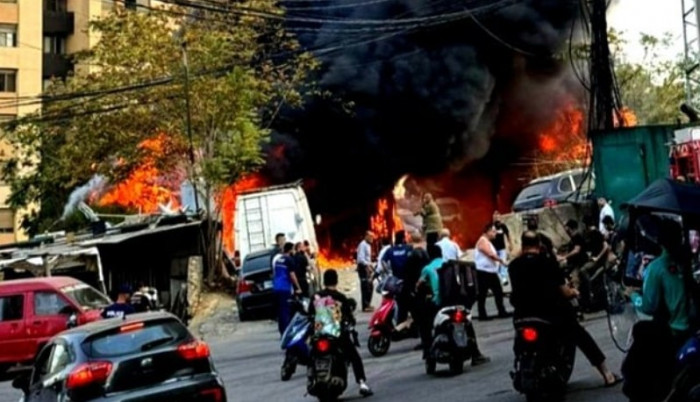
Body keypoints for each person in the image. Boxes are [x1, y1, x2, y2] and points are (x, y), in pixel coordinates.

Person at [509, 231, 621, 387]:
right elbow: (565, 292)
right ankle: (607, 374)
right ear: (539, 245)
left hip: (522, 316)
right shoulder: (548, 263)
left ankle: (520, 365)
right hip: (549, 314)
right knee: (580, 334)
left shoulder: (514, 266)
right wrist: (574, 292)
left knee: (519, 339)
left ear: (522, 245)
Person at [415, 245, 491, 365]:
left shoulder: (427, 268)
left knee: (424, 323)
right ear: (441, 254)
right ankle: (476, 354)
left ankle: (428, 351)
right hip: (455, 301)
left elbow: (419, 285)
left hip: (437, 303)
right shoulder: (450, 265)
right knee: (467, 323)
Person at [309, 269, 373, 397]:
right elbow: (349, 317)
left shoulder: (316, 297)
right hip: (337, 335)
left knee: (311, 356)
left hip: (319, 335)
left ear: (324, 281)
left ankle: (311, 379)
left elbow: (310, 314)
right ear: (336, 281)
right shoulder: (341, 297)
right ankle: (362, 383)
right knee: (354, 356)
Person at [474, 224, 510, 320]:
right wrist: (501, 261)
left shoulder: (487, 241)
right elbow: (490, 254)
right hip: (484, 272)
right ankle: (483, 314)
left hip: (490, 271)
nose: (495, 234)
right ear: (488, 231)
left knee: (497, 292)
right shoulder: (483, 240)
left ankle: (501, 311)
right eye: (493, 232)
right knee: (483, 294)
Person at [382, 230, 412, 322]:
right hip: (407, 280)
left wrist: (388, 272)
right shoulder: (408, 248)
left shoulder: (390, 250)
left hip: (396, 281)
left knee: (400, 303)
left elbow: (383, 261)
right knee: (409, 302)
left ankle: (400, 322)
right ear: (403, 239)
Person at [273, 242, 302, 335]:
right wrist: (298, 287)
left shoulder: (278, 260)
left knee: (280, 312)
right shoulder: (289, 260)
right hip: (285, 288)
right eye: (293, 249)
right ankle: (286, 333)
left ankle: (282, 331)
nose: (294, 251)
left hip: (276, 288)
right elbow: (292, 275)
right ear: (290, 250)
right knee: (286, 311)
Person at [492, 211, 512, 286]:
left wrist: (510, 244)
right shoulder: (491, 226)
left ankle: (503, 278)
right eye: (495, 216)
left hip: (502, 248)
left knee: (503, 263)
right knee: (496, 264)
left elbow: (508, 234)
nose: (497, 218)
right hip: (493, 249)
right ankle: (499, 278)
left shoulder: (503, 226)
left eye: (498, 216)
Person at [356, 231, 375, 312]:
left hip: (367, 267)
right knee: (365, 286)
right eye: (370, 236)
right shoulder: (362, 245)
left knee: (370, 286)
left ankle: (368, 304)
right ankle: (365, 306)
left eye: (373, 237)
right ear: (366, 236)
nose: (372, 238)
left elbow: (367, 258)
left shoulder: (368, 245)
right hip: (363, 268)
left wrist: (371, 266)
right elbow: (361, 259)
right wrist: (367, 265)